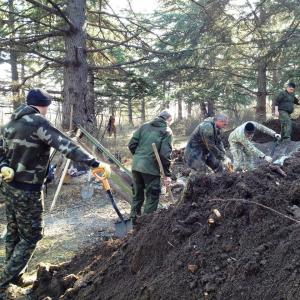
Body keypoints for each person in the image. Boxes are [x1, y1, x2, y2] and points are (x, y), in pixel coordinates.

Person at [0, 88, 111, 292]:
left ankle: (15, 277)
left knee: (14, 233)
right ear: (44, 106)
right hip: (27, 190)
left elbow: (1, 153)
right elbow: (66, 145)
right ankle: (4, 281)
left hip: (9, 188)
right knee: (31, 235)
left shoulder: (10, 123)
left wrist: (2, 166)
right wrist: (94, 162)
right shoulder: (38, 122)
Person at [128, 110, 173, 224]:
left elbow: (131, 144)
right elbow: (164, 154)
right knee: (152, 197)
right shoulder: (166, 131)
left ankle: (133, 222)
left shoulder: (144, 126)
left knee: (137, 195)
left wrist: (139, 156)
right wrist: (167, 174)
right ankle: (144, 227)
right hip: (151, 169)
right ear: (169, 119)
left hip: (136, 166)